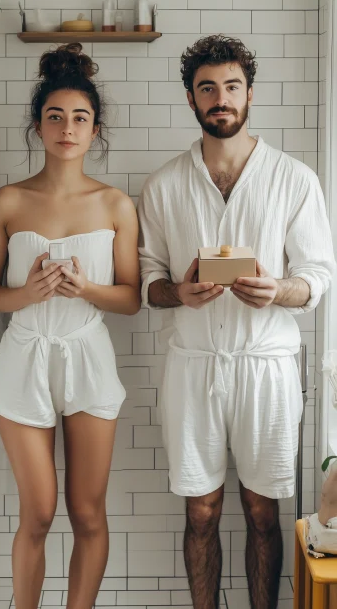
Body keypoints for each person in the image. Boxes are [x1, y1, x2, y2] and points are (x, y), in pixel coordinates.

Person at [137, 34, 335, 609]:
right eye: (207, 89)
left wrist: (279, 289)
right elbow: (149, 283)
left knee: (262, 511)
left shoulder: (294, 180)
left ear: (249, 93)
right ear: (191, 99)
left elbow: (318, 276)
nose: (219, 98)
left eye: (230, 87)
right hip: (193, 368)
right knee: (200, 511)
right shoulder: (164, 185)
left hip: (266, 368)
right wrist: (180, 290)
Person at [0, 43, 140, 609]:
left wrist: (85, 289)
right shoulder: (7, 202)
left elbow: (131, 300)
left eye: (80, 118)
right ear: (38, 126)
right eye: (55, 116)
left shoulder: (116, 205)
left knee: (88, 511)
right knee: (39, 512)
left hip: (88, 359)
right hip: (23, 359)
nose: (67, 128)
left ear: (94, 131)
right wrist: (28, 293)